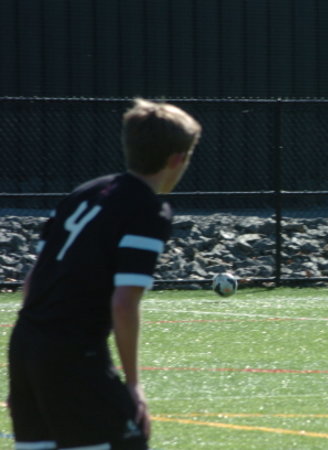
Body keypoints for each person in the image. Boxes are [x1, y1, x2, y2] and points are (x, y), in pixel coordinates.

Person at [8, 98, 202, 449]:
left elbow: (31, 281)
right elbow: (124, 302)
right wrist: (133, 385)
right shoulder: (147, 209)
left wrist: (34, 358)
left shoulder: (83, 194)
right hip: (74, 352)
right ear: (177, 159)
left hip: (25, 346)